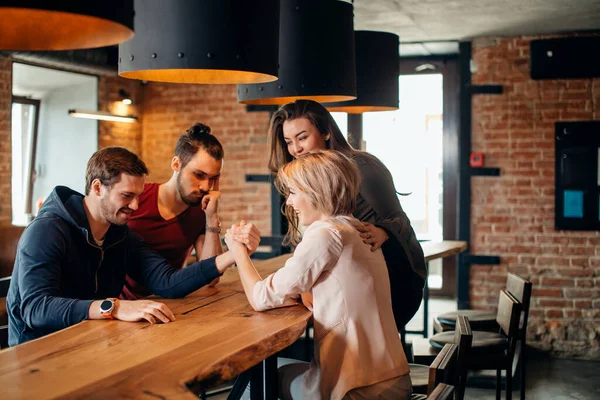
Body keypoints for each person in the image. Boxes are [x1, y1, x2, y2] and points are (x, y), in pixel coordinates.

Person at [6, 146, 259, 347]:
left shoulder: (119, 235)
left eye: (138, 196)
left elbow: (167, 282)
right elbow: (35, 308)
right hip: (39, 353)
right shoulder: (47, 231)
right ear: (97, 187)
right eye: (127, 196)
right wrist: (112, 307)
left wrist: (232, 254)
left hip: (92, 342)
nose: (136, 206)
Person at [226, 151, 411, 400]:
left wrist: (238, 252)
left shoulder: (325, 233)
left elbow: (261, 297)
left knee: (254, 378)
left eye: (293, 192)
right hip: (390, 379)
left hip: (357, 389)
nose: (288, 203)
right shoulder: (355, 227)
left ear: (315, 191)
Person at [267, 99, 427, 332]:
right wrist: (304, 283)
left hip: (394, 282)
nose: (296, 149)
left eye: (302, 138)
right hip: (351, 283)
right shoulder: (306, 177)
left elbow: (400, 221)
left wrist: (383, 231)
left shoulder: (361, 166)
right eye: (289, 142)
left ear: (326, 133)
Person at [121, 123, 225, 300]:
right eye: (199, 175)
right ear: (176, 164)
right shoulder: (136, 198)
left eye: (213, 178)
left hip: (168, 302)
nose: (206, 186)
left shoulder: (200, 211)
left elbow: (211, 278)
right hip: (119, 304)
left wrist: (212, 218)